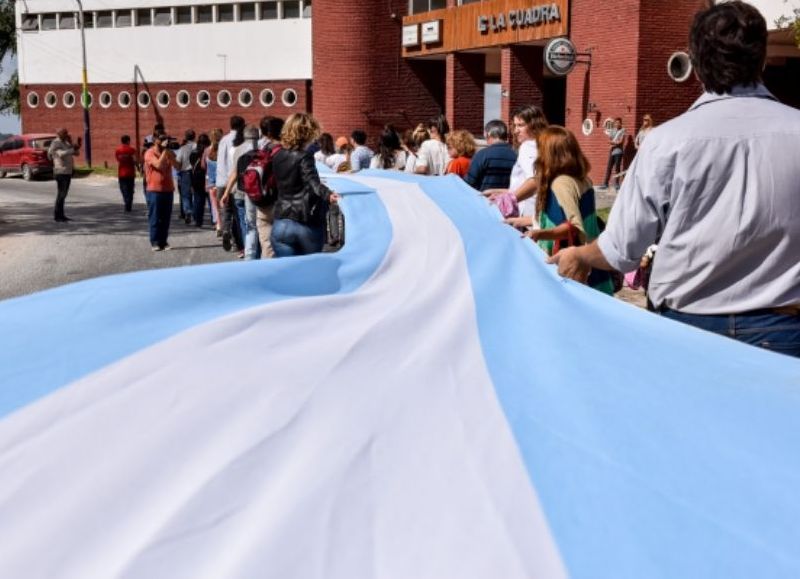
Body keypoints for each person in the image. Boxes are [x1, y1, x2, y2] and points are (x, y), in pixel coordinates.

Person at [550, 0, 800, 357]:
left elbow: (622, 248)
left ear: (695, 66)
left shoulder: (667, 142)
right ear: (761, 60)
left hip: (684, 326)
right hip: (783, 331)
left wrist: (581, 255)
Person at [524, 126, 613, 295]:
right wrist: (519, 220)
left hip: (570, 264)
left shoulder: (561, 183)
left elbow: (573, 226)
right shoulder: (581, 179)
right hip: (592, 258)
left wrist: (539, 234)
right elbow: (554, 217)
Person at [271, 113, 340, 257]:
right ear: (308, 133)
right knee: (310, 272)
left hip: (281, 222)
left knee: (287, 274)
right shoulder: (304, 156)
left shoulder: (277, 155)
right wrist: (329, 195)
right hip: (305, 222)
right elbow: (313, 182)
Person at [500, 105, 549, 230]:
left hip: (529, 217)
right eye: (515, 125)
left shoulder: (528, 146)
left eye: (521, 125)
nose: (516, 130)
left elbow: (535, 180)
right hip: (542, 215)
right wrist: (499, 192)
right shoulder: (545, 145)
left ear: (534, 125)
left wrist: (509, 201)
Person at [221, 124, 260, 260]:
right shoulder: (262, 149)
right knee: (257, 223)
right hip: (258, 193)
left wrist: (226, 192)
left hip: (240, 191)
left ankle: (248, 251)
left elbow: (234, 173)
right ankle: (258, 251)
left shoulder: (237, 150)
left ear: (244, 136)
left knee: (246, 225)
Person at [143, 133, 179, 251]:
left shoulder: (168, 152)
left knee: (166, 218)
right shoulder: (149, 153)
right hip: (154, 190)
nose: (164, 141)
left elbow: (178, 166)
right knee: (155, 217)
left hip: (168, 189)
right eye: (162, 139)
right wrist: (165, 152)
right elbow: (158, 165)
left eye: (165, 139)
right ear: (155, 140)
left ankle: (163, 241)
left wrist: (170, 154)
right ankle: (155, 242)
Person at [217, 115, 246, 254]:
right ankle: (239, 245)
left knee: (226, 212)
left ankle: (226, 230)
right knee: (238, 214)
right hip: (233, 181)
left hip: (221, 181)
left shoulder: (223, 140)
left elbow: (220, 161)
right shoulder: (240, 141)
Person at [464, 119, 517, 192]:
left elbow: (469, 182)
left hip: (485, 200)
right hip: (510, 200)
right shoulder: (517, 155)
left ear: (487, 134)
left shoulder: (482, 155)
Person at [47, 128, 81, 222]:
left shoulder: (66, 142)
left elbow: (76, 154)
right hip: (60, 171)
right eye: (65, 133)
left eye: (67, 132)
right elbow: (61, 154)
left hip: (68, 171)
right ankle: (57, 216)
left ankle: (61, 215)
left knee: (64, 194)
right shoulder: (55, 143)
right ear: (59, 133)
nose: (67, 134)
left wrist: (76, 147)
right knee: (61, 194)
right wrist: (72, 149)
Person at [175, 129, 198, 224]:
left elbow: (178, 162)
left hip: (185, 172)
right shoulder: (198, 147)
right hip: (197, 172)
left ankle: (187, 211)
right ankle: (196, 213)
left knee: (185, 195)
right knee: (197, 194)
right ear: (194, 136)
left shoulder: (182, 148)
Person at [190, 133, 210, 227]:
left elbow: (192, 164)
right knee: (211, 201)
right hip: (208, 177)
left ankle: (198, 220)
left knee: (198, 200)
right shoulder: (210, 152)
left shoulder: (194, 153)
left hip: (196, 178)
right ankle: (214, 220)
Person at [114, 135, 138, 212]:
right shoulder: (132, 150)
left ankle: (126, 201)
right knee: (130, 189)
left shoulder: (118, 150)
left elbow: (118, 160)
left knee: (123, 189)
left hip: (121, 173)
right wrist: (137, 166)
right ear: (128, 141)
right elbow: (135, 160)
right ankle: (128, 204)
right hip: (130, 173)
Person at [601, 117, 625, 189]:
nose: (617, 124)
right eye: (616, 123)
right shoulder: (613, 130)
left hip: (618, 152)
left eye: (619, 123)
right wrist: (615, 142)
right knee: (609, 168)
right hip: (612, 152)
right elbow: (609, 140)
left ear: (621, 123)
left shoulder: (623, 130)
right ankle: (605, 183)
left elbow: (621, 141)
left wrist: (613, 143)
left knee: (617, 168)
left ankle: (617, 184)